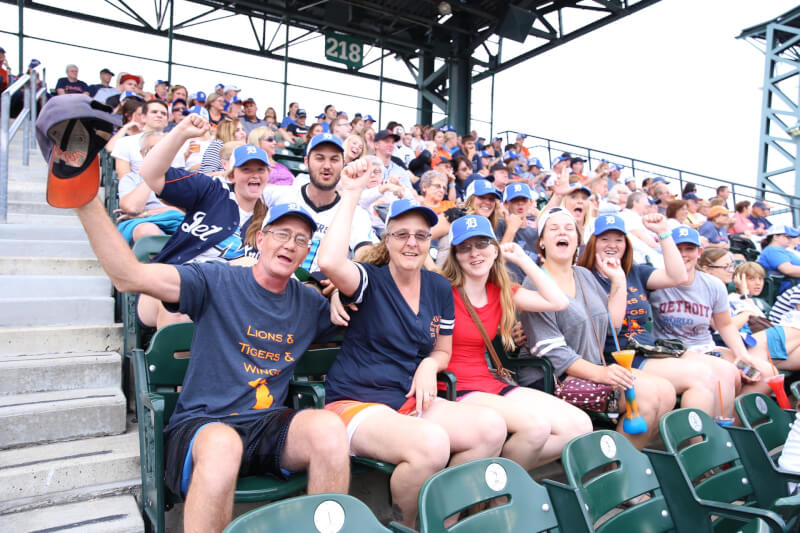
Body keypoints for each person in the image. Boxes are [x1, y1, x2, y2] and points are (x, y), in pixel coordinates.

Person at [68, 189, 350, 531]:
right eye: (281, 234)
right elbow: (130, 276)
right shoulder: (216, 279)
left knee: (329, 430)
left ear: (307, 252)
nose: (290, 244)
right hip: (202, 424)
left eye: (301, 239)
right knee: (222, 444)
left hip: (265, 425)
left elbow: (371, 310)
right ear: (260, 239)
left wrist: (341, 293)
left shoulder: (309, 303)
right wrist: (84, 199)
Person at [318, 181, 507, 527]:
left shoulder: (437, 286)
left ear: (429, 242)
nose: (412, 243)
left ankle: (445, 518)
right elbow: (329, 261)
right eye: (401, 234)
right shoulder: (368, 279)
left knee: (491, 428)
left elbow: (443, 349)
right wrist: (352, 194)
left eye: (421, 236)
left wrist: (428, 364)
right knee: (432, 444)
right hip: (356, 402)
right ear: (386, 240)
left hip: (406, 399)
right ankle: (409, 525)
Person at [440, 214, 592, 469]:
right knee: (536, 428)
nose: (474, 253)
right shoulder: (442, 289)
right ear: (455, 255)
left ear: (494, 248)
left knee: (579, 427)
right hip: (454, 387)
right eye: (465, 247)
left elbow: (558, 302)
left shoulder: (501, 290)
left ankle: (494, 473)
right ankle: (498, 494)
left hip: (490, 382)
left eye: (482, 244)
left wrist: (523, 260)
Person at [518, 208, 675, 449]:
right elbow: (553, 352)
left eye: (569, 228)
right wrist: (601, 374)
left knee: (665, 390)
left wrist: (619, 280)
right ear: (541, 242)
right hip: (552, 378)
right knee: (647, 398)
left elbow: (612, 323)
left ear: (578, 241)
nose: (563, 232)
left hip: (590, 369)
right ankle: (613, 471)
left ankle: (623, 464)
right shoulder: (536, 281)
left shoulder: (583, 274)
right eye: (554, 228)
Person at [577, 214, 740, 419]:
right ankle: (694, 443)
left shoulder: (634, 272)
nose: (612, 245)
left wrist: (663, 233)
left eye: (618, 239)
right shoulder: (583, 276)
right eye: (604, 239)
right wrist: (617, 281)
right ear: (593, 243)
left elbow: (677, 276)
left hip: (649, 349)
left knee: (725, 371)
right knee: (702, 378)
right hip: (620, 355)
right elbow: (612, 326)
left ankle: (717, 436)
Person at [136, 118, 269, 328]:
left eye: (260, 170)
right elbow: (150, 174)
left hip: (225, 301)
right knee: (178, 309)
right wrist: (180, 132)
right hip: (171, 285)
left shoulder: (269, 216)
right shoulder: (212, 190)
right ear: (232, 175)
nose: (254, 175)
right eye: (246, 169)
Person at [650, 226, 763, 395]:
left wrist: (741, 354)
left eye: (689, 249)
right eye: (677, 248)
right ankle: (718, 419)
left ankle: (737, 417)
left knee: (762, 373)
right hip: (672, 352)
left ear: (699, 252)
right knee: (728, 373)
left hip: (706, 348)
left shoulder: (713, 284)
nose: (683, 254)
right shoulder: (654, 281)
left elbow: (725, 325)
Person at [262, 133, 377, 274]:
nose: (327, 166)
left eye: (334, 159)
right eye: (319, 158)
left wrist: (348, 273)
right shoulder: (280, 196)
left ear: (343, 164)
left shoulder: (356, 213)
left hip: (323, 291)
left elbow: (365, 253)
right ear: (306, 161)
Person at [700, 249, 800, 386]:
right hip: (737, 346)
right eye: (726, 267)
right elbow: (722, 327)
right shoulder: (704, 291)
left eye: (732, 266)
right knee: (797, 331)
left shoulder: (729, 293)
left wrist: (746, 299)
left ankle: (793, 402)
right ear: (707, 269)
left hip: (748, 345)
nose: (731, 270)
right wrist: (747, 313)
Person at [116, 131, 185, 243]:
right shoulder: (132, 179)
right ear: (143, 153)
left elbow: (184, 212)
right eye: (154, 149)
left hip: (179, 223)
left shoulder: (181, 178)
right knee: (146, 230)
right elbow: (132, 208)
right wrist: (152, 175)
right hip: (146, 224)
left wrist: (145, 213)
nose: (160, 153)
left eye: (163, 148)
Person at [110, 100, 181, 177]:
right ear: (143, 117)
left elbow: (177, 176)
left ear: (167, 121)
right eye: (154, 112)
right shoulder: (125, 143)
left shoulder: (176, 145)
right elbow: (124, 179)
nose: (159, 115)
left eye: (163, 114)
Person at [496, 182, 538, 283]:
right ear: (506, 204)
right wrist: (511, 229)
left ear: (530, 203)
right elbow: (497, 263)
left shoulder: (535, 233)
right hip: (508, 287)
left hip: (531, 289)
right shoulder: (499, 225)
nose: (520, 204)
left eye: (524, 200)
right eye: (515, 200)